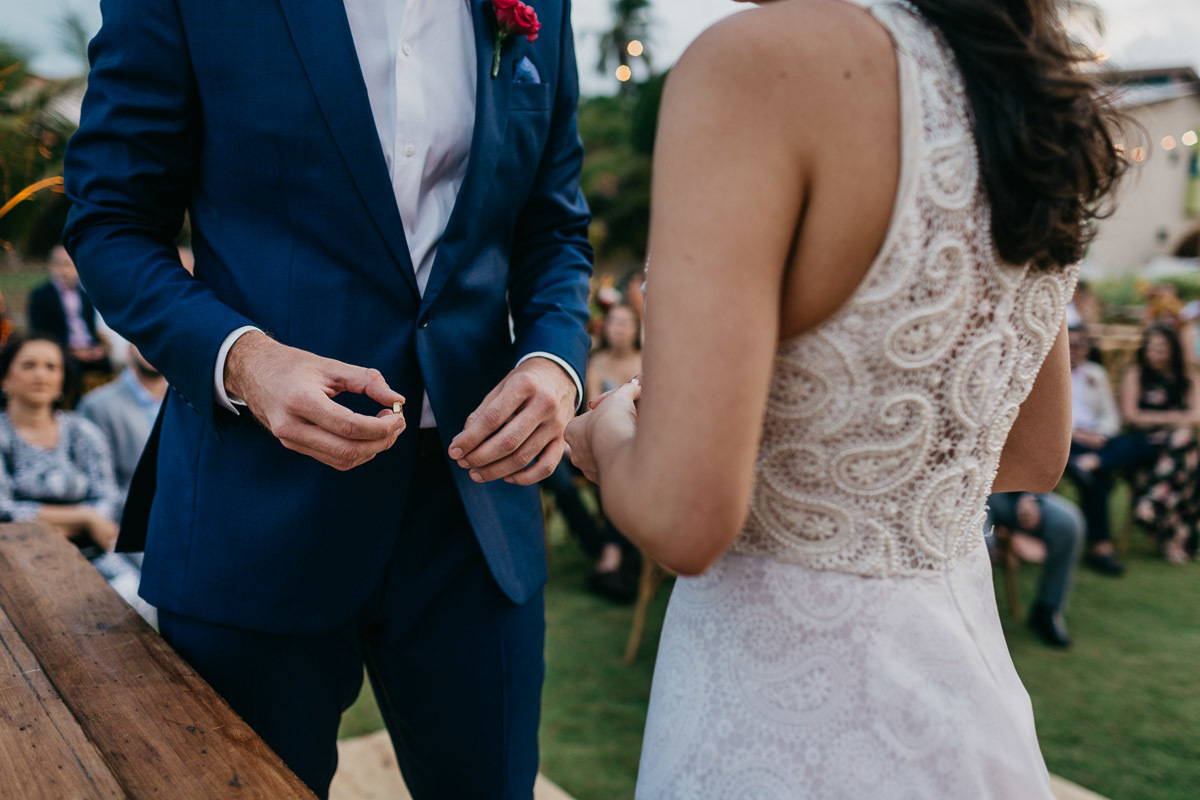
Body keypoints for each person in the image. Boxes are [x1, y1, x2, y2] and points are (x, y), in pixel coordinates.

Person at [566, 0, 1124, 795]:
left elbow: (684, 518)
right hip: (967, 702)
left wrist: (607, 438)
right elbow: (1034, 457)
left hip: (774, 717)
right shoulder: (1031, 85)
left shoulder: (759, 63)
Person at [63, 1, 592, 797]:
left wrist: (555, 362)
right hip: (257, 508)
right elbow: (110, 221)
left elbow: (554, 230)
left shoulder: (539, 6)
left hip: (474, 516)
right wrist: (244, 360)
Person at [1064, 325, 1152, 575]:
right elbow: (1044, 421)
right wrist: (1077, 433)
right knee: (1097, 477)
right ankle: (1101, 549)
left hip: (1097, 440)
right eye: (1070, 344)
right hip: (1067, 441)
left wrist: (1101, 434)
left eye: (1080, 345)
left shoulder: (1096, 373)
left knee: (1140, 442)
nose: (1075, 350)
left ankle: (1094, 461)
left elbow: (1110, 415)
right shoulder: (1046, 374)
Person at [1120, 324, 1200, 563]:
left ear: (1173, 351)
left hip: (1175, 452)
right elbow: (1131, 416)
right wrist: (1174, 420)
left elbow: (1196, 417)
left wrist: (1154, 420)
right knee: (1187, 449)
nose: (1153, 354)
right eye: (1149, 348)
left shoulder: (1189, 379)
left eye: (1160, 349)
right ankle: (1179, 540)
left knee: (1184, 443)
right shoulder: (1136, 375)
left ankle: (1153, 505)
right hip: (1144, 449)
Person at [986, 492, 1083, 648]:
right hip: (967, 496)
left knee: (1067, 522)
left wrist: (1028, 496)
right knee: (982, 542)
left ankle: (1047, 609)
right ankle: (984, 614)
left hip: (1010, 493)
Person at [76, 344, 166, 512]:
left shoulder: (189, 403)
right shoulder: (97, 405)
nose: (155, 345)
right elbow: (101, 485)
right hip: (130, 517)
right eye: (146, 337)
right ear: (129, 347)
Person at [27, 246, 112, 382]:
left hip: (88, 348)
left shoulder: (85, 295)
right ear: (51, 265)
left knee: (107, 367)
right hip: (63, 350)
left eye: (68, 263)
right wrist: (72, 350)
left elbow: (90, 326)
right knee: (73, 369)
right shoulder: (41, 295)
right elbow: (39, 331)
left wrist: (97, 347)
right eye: (59, 263)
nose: (64, 268)